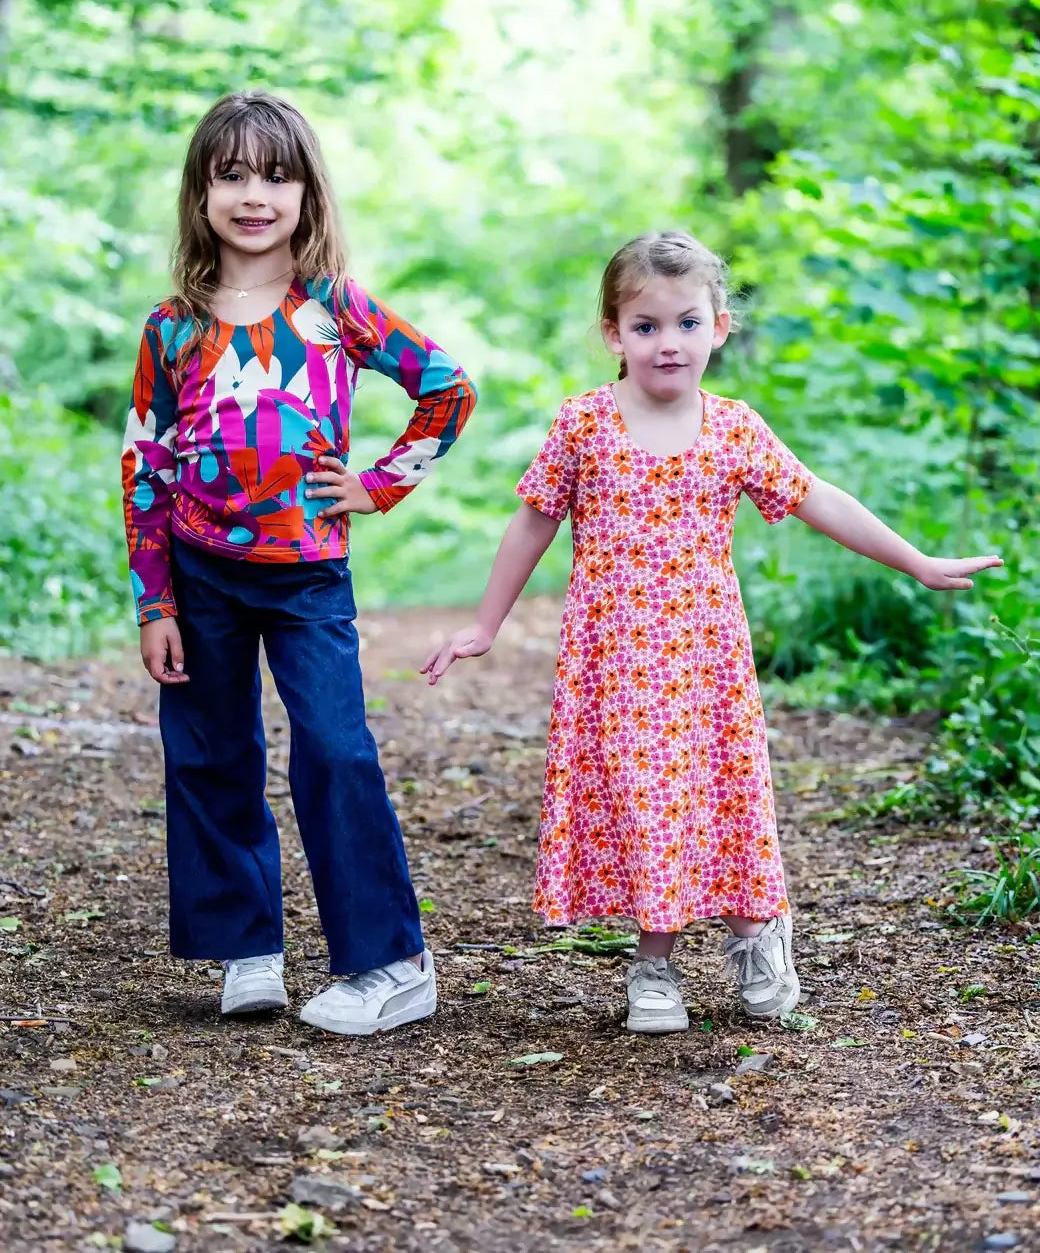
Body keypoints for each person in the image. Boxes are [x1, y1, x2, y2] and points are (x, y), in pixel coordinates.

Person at [421, 230, 1000, 1034]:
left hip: (704, 662)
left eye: (688, 324)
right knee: (643, 801)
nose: (669, 344)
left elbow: (816, 497)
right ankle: (653, 968)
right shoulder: (585, 423)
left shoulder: (733, 429)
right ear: (614, 334)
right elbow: (533, 522)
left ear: (720, 327)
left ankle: (757, 933)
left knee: (723, 794)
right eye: (647, 326)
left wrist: (916, 562)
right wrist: (486, 624)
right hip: (617, 660)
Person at [121, 90, 476, 1034]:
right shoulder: (171, 326)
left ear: (306, 194)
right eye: (230, 174)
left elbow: (448, 390)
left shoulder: (332, 309)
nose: (253, 195)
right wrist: (153, 601)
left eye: (275, 176)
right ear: (201, 194)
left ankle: (391, 962)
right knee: (210, 754)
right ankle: (247, 948)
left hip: (310, 569)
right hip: (199, 573)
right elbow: (145, 464)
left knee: (334, 748)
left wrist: (379, 483)